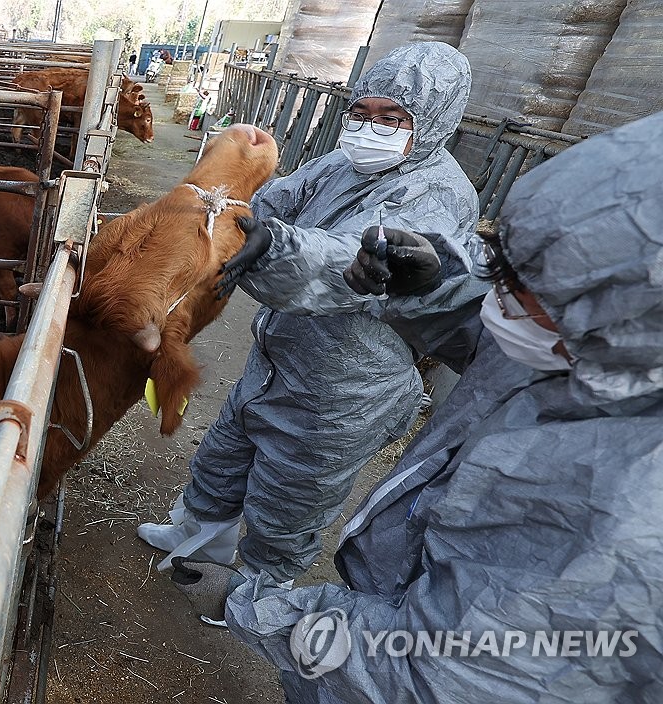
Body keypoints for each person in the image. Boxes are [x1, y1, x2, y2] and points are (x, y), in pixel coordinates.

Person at [170, 109, 663, 703]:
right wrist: (433, 285)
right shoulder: (585, 348)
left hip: (343, 388)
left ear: (626, 313)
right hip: (299, 384)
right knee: (237, 449)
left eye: (529, 282)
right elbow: (488, 339)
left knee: (294, 490)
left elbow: (436, 673)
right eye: (504, 262)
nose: (499, 292)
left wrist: (263, 610)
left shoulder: (631, 514)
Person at [137, 42, 481, 591]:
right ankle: (196, 532)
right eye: (362, 114)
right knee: (225, 453)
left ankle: (257, 597)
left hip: (344, 385)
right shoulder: (343, 165)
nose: (371, 130)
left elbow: (356, 259)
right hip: (281, 353)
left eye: (392, 119)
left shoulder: (438, 193)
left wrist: (274, 246)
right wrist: (223, 215)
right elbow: (276, 202)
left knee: (291, 498)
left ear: (434, 121)